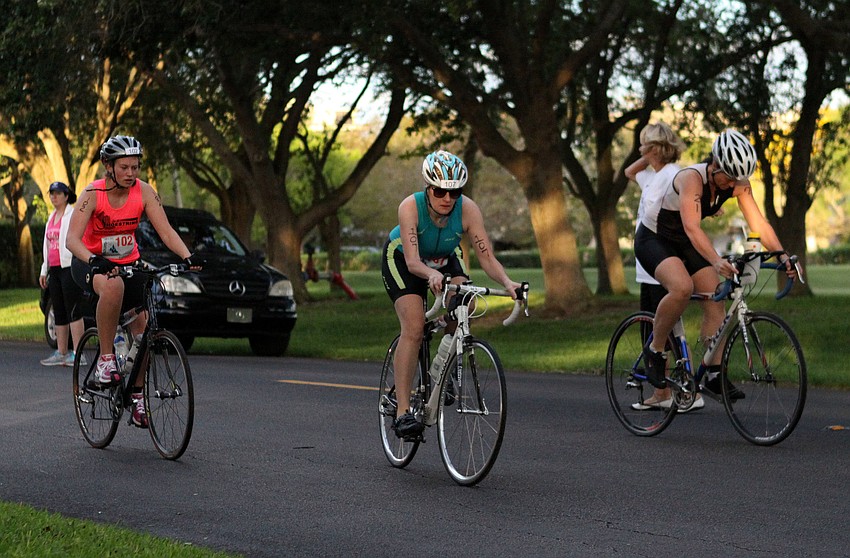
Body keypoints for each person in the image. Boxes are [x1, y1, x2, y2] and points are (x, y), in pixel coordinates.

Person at [634, 129, 798, 399]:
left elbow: (759, 223)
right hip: (655, 238)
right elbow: (691, 227)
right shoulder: (691, 179)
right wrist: (716, 260)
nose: (733, 186)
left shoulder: (737, 183)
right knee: (682, 287)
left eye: (739, 179)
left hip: (685, 241)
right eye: (729, 178)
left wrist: (781, 255)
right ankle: (655, 351)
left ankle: (713, 373)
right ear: (714, 166)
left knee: (715, 298)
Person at [381, 150, 520, 439]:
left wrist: (509, 283)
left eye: (455, 192)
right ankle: (403, 411)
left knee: (464, 304)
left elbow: (487, 257)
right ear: (428, 188)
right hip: (405, 259)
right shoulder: (410, 207)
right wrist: (431, 275)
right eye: (440, 191)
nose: (447, 198)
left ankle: (439, 372)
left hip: (445, 257)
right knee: (415, 327)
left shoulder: (468, 209)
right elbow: (412, 262)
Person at [66, 135, 196, 428]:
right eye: (124, 167)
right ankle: (106, 360)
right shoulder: (93, 194)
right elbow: (72, 240)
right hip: (90, 262)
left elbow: (166, 232)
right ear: (108, 166)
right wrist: (93, 259)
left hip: (128, 263)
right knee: (114, 286)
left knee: (144, 326)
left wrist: (188, 257)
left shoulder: (145, 192)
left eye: (135, 167)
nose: (130, 173)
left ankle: (137, 395)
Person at [626, 122, 704, 412]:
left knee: (663, 331)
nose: (639, 150)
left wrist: (655, 152)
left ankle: (669, 393)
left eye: (644, 145)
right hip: (647, 267)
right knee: (661, 330)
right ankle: (678, 391)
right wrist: (648, 155)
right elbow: (628, 172)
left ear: (655, 148)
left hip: (660, 267)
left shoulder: (673, 175)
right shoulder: (653, 175)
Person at [38, 181, 86, 367]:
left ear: (66, 196)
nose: (54, 196)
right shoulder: (51, 217)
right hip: (55, 269)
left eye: (58, 193)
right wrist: (45, 269)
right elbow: (46, 246)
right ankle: (62, 351)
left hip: (69, 267)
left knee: (73, 309)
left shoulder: (72, 214)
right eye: (51, 193)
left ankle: (78, 353)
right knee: (58, 309)